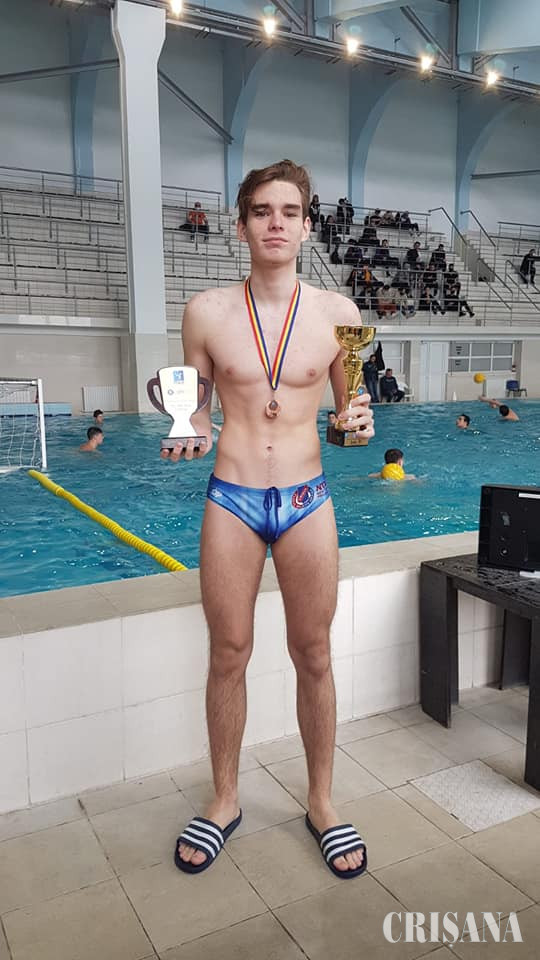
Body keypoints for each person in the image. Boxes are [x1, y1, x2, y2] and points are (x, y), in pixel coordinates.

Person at [163, 159, 373, 879]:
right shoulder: (205, 312)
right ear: (240, 225)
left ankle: (322, 802)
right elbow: (194, 408)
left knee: (313, 653)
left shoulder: (340, 315)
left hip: (308, 497)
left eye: (289, 212)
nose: (275, 223)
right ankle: (224, 799)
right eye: (261, 211)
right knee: (228, 652)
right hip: (233, 495)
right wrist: (187, 428)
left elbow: (350, 414)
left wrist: (357, 423)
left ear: (308, 226)